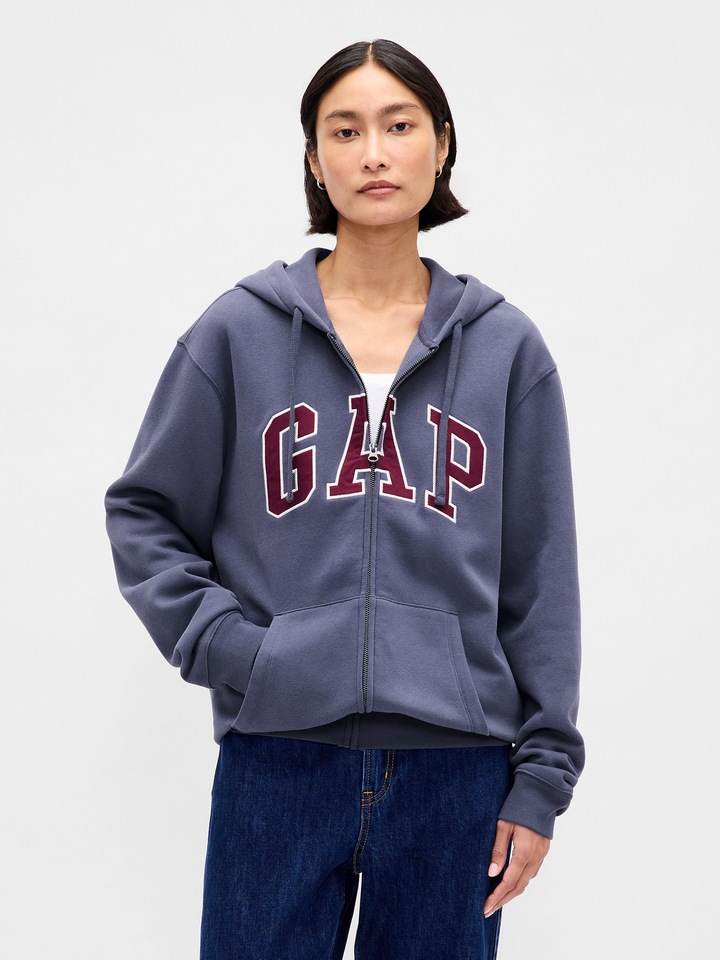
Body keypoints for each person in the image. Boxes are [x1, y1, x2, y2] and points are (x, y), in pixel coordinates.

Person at [105, 38, 584, 960]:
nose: (374, 154)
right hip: (278, 760)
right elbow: (145, 512)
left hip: (457, 772)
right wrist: (241, 651)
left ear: (441, 144)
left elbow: (542, 578)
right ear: (315, 160)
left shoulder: (506, 349)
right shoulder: (239, 331)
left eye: (399, 126)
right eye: (346, 130)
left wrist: (540, 780)